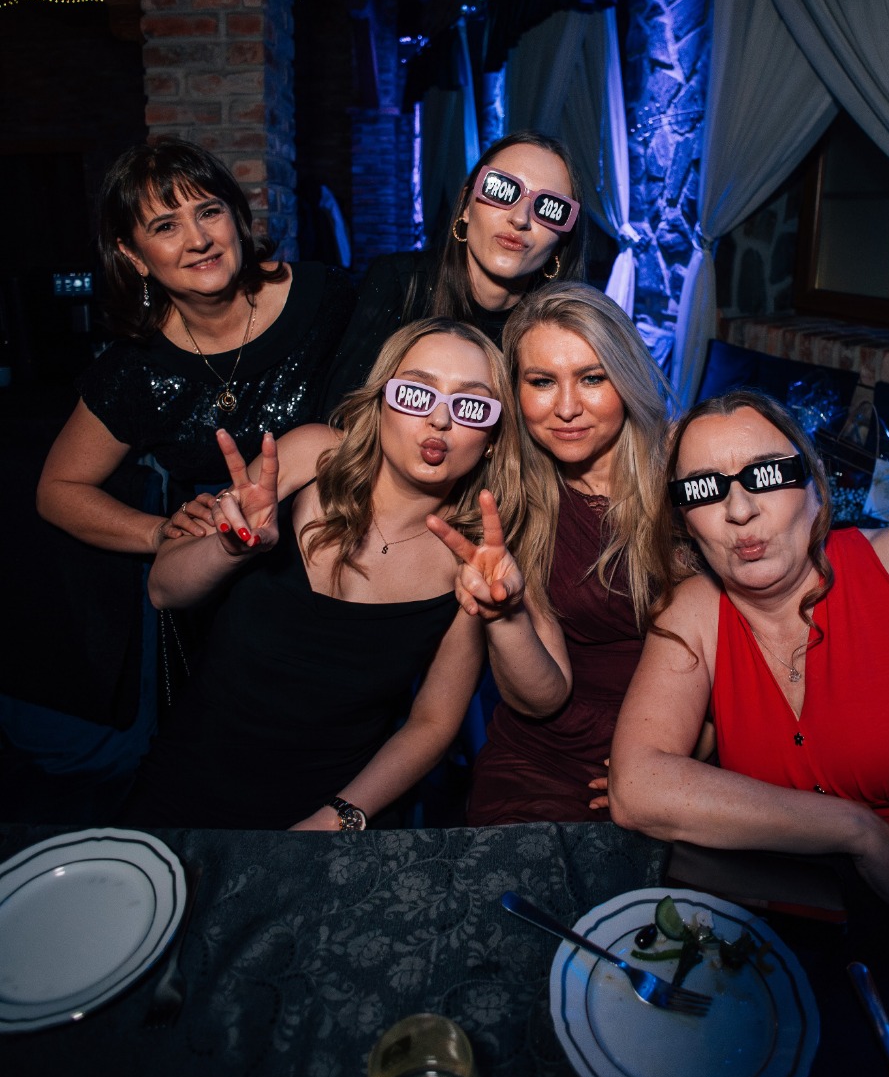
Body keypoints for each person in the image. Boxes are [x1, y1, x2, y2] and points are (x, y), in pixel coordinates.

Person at [609, 388, 889, 1011]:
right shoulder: (695, 615)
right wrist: (855, 829)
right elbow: (637, 785)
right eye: (705, 489)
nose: (739, 509)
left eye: (766, 476)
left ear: (815, 489)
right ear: (685, 518)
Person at [10, 141, 357, 798]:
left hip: (332, 575)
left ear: (237, 218)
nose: (198, 239)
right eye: (166, 226)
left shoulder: (327, 298)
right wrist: (157, 531)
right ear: (134, 256)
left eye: (209, 211)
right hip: (213, 600)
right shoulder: (134, 368)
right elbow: (58, 490)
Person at [120, 319, 522, 830]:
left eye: (471, 406)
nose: (439, 419)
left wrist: (338, 818)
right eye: (416, 393)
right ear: (380, 402)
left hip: (334, 808)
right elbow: (163, 590)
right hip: (184, 784)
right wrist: (228, 548)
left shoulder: (476, 559)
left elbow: (433, 723)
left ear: (491, 439)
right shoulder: (309, 457)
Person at [429, 283, 680, 825]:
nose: (567, 408)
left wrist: (676, 758)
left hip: (679, 748)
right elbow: (541, 699)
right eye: (542, 382)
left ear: (627, 377)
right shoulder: (513, 505)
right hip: (546, 759)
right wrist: (505, 615)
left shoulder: (689, 466)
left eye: (592, 378)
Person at [326, 131, 587, 395]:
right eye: (502, 189)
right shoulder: (399, 284)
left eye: (550, 208)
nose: (520, 218)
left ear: (562, 239)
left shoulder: (559, 329)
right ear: (466, 206)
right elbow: (342, 409)